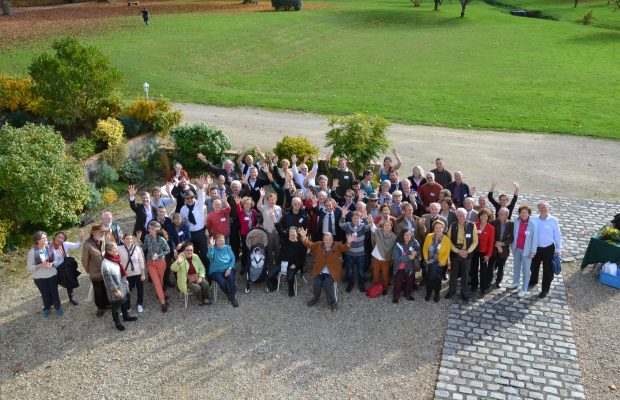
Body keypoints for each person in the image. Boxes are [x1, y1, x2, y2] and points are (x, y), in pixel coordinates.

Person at [299, 228, 352, 311]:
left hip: (332, 273)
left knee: (327, 284)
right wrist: (303, 237)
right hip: (320, 271)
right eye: (326, 239)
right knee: (316, 284)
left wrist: (348, 242)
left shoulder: (337, 245)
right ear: (323, 240)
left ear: (332, 239)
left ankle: (332, 302)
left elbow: (345, 247)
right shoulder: (318, 244)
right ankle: (316, 298)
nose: (328, 241)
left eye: (330, 239)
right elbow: (309, 244)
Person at [529, 201, 563, 299]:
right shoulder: (534, 219)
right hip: (536, 248)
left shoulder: (553, 220)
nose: (543, 209)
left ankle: (545, 290)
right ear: (538, 209)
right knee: (534, 267)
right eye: (541, 208)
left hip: (549, 248)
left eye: (545, 207)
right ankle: (533, 281)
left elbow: (557, 235)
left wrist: (558, 248)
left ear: (548, 208)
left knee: (548, 271)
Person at [27, 231, 65, 318]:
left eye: (46, 238)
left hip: (52, 275)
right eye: (43, 238)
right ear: (37, 240)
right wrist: (41, 265)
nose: (45, 240)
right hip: (40, 277)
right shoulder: (33, 252)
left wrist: (52, 264)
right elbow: (29, 267)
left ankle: (58, 307)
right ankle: (47, 308)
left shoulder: (50, 248)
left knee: (54, 292)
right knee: (45, 293)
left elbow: (56, 260)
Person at [101, 242, 137, 331]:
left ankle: (126, 316)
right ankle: (117, 322)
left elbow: (121, 271)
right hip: (115, 289)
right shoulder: (106, 264)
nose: (117, 250)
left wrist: (125, 282)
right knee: (116, 306)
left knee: (124, 301)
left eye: (117, 248)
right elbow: (108, 280)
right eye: (115, 249)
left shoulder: (115, 258)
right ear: (109, 251)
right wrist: (115, 290)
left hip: (122, 284)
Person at [446, 208, 479, 302]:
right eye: (459, 215)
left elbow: (475, 241)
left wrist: (467, 251)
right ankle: (451, 291)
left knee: (465, 274)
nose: (461, 217)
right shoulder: (453, 225)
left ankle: (464, 293)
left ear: (466, 216)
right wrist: (457, 251)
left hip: (467, 254)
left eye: (463, 215)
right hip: (455, 253)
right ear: (457, 216)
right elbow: (448, 241)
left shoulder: (472, 225)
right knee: (453, 273)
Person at [339, 207, 371, 292]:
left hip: (360, 255)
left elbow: (368, 227)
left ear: (360, 219)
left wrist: (365, 218)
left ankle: (361, 285)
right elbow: (341, 225)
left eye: (358, 218)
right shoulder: (348, 225)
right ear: (351, 218)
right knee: (349, 272)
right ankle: (350, 284)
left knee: (361, 272)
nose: (356, 219)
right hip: (349, 254)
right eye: (354, 218)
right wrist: (343, 216)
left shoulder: (362, 226)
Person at [180, 176, 209, 268]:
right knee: (193, 254)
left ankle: (207, 271)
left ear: (194, 198)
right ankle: (196, 271)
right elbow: (183, 222)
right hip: (190, 234)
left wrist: (200, 187)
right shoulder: (183, 209)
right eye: (187, 198)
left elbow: (201, 197)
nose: (189, 199)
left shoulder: (199, 205)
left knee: (204, 253)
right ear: (185, 199)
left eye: (191, 197)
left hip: (200, 233)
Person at [142, 220, 171, 312]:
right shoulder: (147, 237)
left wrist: (159, 255)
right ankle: (163, 302)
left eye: (150, 228)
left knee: (160, 280)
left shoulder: (161, 239)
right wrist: (138, 240)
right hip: (150, 263)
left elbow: (168, 250)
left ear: (155, 229)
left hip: (161, 262)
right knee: (156, 282)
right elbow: (143, 247)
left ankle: (160, 294)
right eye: (148, 227)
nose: (148, 229)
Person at [510, 204, 538, 298]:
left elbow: (535, 239)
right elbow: (513, 234)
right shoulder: (516, 221)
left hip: (527, 252)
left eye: (526, 212)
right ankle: (515, 282)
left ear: (529, 214)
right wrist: (512, 246)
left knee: (526, 270)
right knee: (516, 266)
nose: (524, 214)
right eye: (522, 212)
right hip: (517, 249)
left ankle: (524, 288)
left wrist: (533, 252)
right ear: (519, 213)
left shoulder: (533, 224)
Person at [270, 226, 307, 296]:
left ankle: (291, 288)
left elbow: (302, 258)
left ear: (297, 234)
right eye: (290, 232)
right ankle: (274, 284)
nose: (292, 233)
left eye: (294, 232)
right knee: (270, 275)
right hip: (282, 263)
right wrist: (273, 216)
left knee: (290, 277)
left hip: (293, 264)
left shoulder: (301, 244)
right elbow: (279, 229)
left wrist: (296, 264)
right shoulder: (285, 239)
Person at [50, 230, 84, 306]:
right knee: (53, 285)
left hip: (64, 268)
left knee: (69, 282)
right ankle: (54, 302)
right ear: (55, 236)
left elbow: (77, 245)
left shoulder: (64, 245)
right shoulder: (48, 246)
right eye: (59, 237)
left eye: (62, 238)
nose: (60, 239)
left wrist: (80, 239)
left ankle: (71, 299)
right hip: (53, 269)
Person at [81, 225, 109, 316]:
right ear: (93, 232)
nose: (102, 233)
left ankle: (106, 303)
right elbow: (84, 260)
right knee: (98, 290)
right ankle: (100, 307)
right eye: (101, 232)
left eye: (103, 232)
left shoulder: (103, 240)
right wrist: (89, 270)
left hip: (105, 270)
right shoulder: (87, 244)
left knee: (105, 288)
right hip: (95, 272)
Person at [422, 220, 451, 302]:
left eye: (440, 228)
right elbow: (424, 249)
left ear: (443, 229)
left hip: (439, 263)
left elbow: (447, 253)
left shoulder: (446, 240)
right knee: (429, 279)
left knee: (438, 279)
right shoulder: (429, 236)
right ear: (433, 228)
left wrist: (440, 263)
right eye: (436, 228)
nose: (438, 229)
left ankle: (437, 294)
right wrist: (426, 259)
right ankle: (428, 293)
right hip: (429, 262)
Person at [207, 234, 238, 307]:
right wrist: (211, 247)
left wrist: (229, 268)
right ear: (216, 242)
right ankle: (228, 294)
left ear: (224, 241)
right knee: (222, 281)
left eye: (222, 241)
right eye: (219, 241)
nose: (221, 243)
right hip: (215, 270)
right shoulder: (213, 249)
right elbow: (209, 256)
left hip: (228, 268)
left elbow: (233, 259)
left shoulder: (228, 248)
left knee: (230, 278)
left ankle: (233, 298)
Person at [470, 208, 495, 296]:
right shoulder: (474, 225)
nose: (483, 217)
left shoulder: (491, 228)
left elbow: (491, 243)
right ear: (479, 216)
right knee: (474, 268)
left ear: (488, 217)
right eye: (482, 215)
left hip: (484, 252)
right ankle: (474, 285)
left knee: (484, 270)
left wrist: (488, 255)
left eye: (485, 215)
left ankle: (483, 287)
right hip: (475, 251)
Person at [391, 229, 421, 303]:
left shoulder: (414, 242)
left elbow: (419, 252)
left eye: (409, 234)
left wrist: (416, 253)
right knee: (397, 283)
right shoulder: (398, 244)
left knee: (409, 282)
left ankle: (407, 295)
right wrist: (408, 257)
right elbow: (395, 257)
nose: (408, 236)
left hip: (410, 267)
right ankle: (396, 296)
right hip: (399, 267)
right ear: (402, 235)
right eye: (406, 234)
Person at [118, 233, 146, 313]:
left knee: (140, 289)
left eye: (130, 239)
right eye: (127, 239)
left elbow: (141, 261)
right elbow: (110, 248)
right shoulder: (120, 248)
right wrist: (108, 239)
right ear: (123, 240)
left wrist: (143, 274)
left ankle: (139, 304)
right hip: (127, 273)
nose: (129, 240)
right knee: (127, 290)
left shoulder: (137, 248)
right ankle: (128, 306)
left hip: (138, 272)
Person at [369, 218, 397, 295]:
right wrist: (371, 220)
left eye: (389, 225)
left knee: (385, 274)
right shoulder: (378, 232)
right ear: (383, 226)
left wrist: (391, 259)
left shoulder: (394, 237)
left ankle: (385, 288)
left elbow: (393, 249)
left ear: (391, 227)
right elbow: (373, 227)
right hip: (376, 257)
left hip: (386, 258)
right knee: (376, 273)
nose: (387, 226)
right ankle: (376, 287)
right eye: (385, 225)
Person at [489, 207, 514, 289]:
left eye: (502, 214)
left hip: (504, 250)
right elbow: (491, 236)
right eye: (499, 213)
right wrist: (496, 244)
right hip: (493, 248)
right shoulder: (493, 222)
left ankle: (498, 281)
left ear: (506, 215)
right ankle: (489, 281)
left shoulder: (511, 224)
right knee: (491, 265)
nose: (499, 215)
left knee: (501, 266)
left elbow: (511, 238)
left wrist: (502, 244)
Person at [235, 195, 260, 275]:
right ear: (243, 204)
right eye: (246, 203)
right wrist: (237, 203)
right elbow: (238, 208)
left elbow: (258, 220)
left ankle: (252, 264)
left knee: (252, 249)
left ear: (251, 204)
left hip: (253, 234)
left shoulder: (254, 212)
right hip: (244, 235)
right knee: (245, 250)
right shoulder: (241, 212)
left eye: (249, 204)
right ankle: (243, 266)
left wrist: (257, 225)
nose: (247, 205)